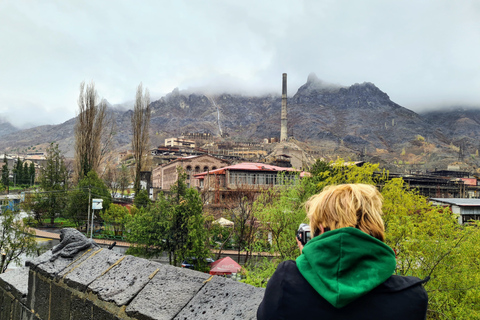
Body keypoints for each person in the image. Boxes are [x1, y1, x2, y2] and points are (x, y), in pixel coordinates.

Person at [257, 184, 428, 320]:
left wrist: (310, 262)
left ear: (321, 231)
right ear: (376, 230)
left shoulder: (285, 281)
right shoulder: (411, 296)